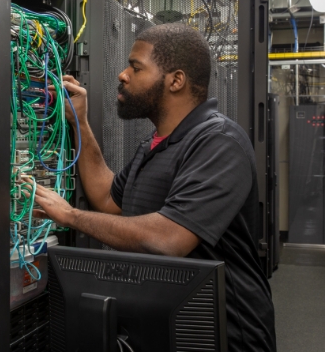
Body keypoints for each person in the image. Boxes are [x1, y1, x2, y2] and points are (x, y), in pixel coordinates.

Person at [29, 23, 276, 351]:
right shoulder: (154, 145)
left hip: (227, 337)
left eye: (135, 67)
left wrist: (71, 216)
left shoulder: (219, 142)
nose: (122, 74)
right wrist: (80, 122)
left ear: (176, 80)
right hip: (168, 330)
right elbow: (106, 197)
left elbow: (168, 239)